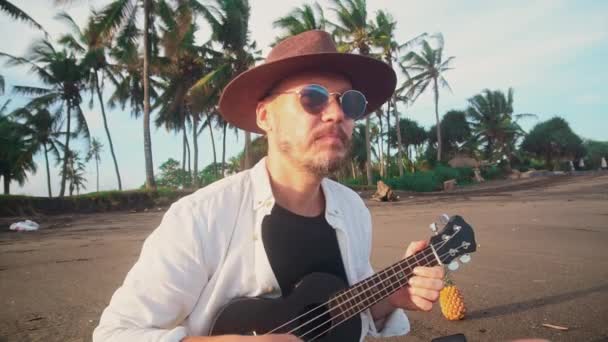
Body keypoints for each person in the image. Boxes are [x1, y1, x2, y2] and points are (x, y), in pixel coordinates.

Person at [93, 30, 444, 342]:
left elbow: (340, 313)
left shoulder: (352, 210)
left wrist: (391, 299)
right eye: (314, 97)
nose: (337, 114)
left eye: (349, 101)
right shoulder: (202, 218)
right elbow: (115, 333)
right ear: (265, 117)